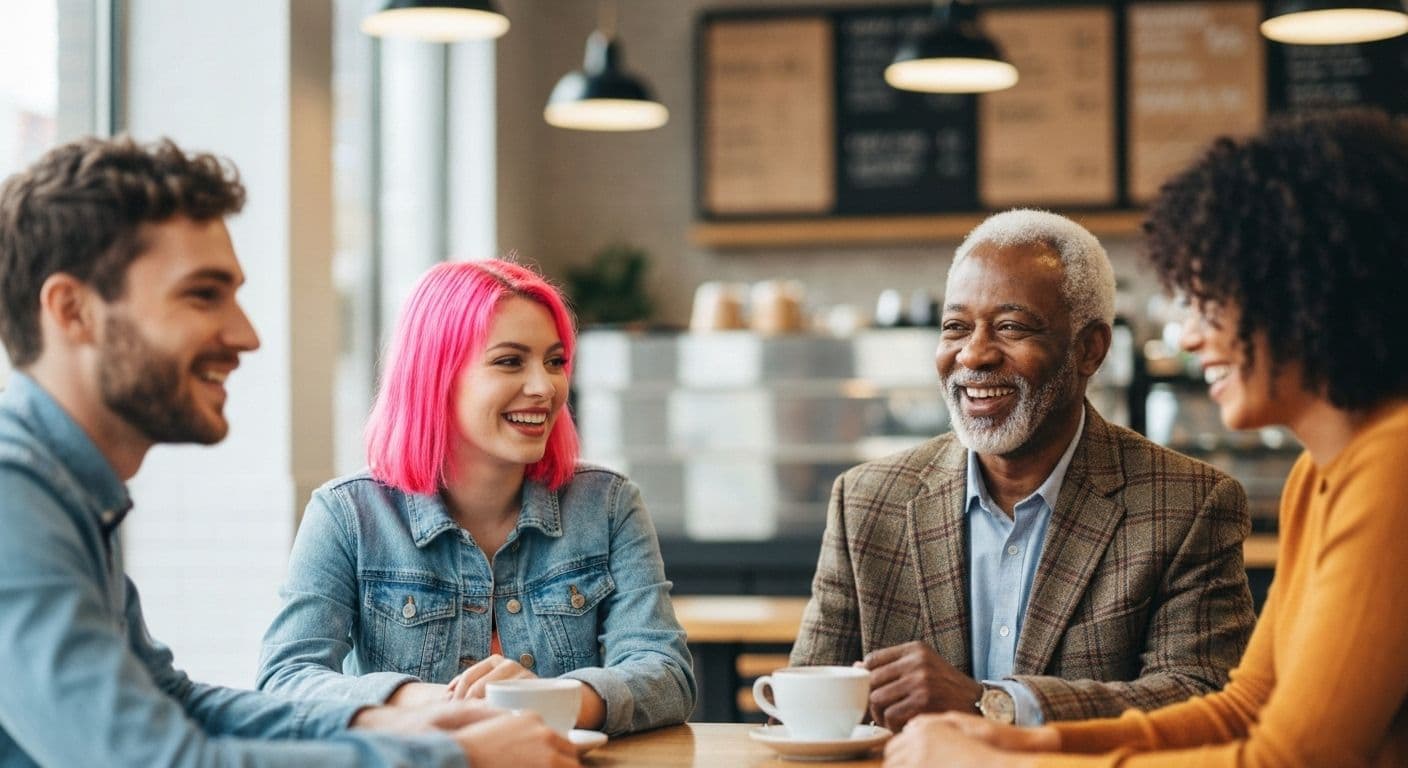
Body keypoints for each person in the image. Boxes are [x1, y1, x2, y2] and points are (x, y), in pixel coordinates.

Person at [0, 136, 578, 767]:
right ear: (72, 310)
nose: (245, 335)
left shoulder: (61, 495)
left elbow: (174, 701)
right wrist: (456, 761)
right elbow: (150, 760)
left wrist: (397, 718)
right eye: (203, 295)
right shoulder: (13, 501)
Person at [884, 109, 1408, 768]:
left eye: (1213, 300)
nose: (1188, 337)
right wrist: (1028, 739)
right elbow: (1244, 707)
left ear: (1311, 292)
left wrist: (1006, 765)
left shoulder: (1394, 465)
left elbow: (1294, 760)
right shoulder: (1320, 473)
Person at [790, 209, 1257, 731]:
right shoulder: (866, 501)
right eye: (955, 327)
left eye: (1010, 327)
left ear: (1089, 349)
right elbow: (807, 704)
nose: (974, 354)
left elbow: (1202, 698)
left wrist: (991, 703)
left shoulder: (1188, 504)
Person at [256, 258, 696, 737]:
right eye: (510, 361)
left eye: (554, 361)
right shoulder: (347, 514)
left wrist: (548, 700)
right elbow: (285, 679)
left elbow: (667, 675)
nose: (544, 387)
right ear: (436, 376)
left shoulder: (608, 505)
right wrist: (432, 701)